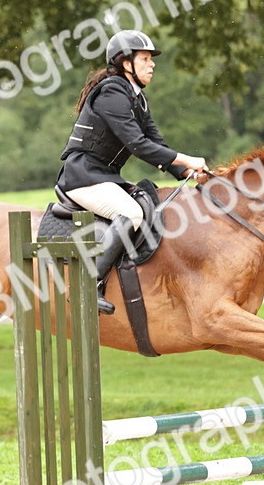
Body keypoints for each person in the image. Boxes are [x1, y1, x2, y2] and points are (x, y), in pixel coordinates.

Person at [56, 29, 208, 314]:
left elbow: (156, 144)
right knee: (132, 213)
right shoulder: (112, 92)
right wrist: (188, 159)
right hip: (83, 177)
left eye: (152, 59)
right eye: (145, 59)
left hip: (104, 177)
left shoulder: (137, 98)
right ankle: (86, 285)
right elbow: (138, 145)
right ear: (126, 63)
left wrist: (187, 173)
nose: (152, 65)